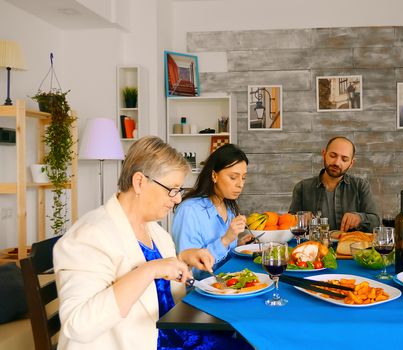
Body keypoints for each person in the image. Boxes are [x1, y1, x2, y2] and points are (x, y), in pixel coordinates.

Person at [54, 136, 251, 349]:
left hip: (172, 334)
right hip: (146, 342)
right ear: (140, 182)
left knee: (248, 338)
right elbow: (78, 325)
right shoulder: (89, 236)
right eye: (172, 189)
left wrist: (183, 259)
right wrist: (149, 270)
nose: (177, 199)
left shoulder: (155, 232)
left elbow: (160, 288)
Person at [172, 143, 252, 279]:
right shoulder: (189, 211)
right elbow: (188, 269)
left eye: (243, 177)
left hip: (227, 286)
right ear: (214, 176)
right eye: (233, 177)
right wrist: (226, 240)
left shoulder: (229, 209)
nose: (240, 184)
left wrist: (237, 246)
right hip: (199, 293)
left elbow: (223, 262)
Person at [289, 136, 379, 232]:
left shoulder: (361, 186)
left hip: (350, 245)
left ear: (351, 163)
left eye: (344, 159)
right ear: (324, 154)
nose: (336, 162)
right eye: (332, 155)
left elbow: (375, 222)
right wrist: (298, 219)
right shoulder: (302, 187)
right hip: (314, 245)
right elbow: (287, 223)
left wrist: (359, 218)